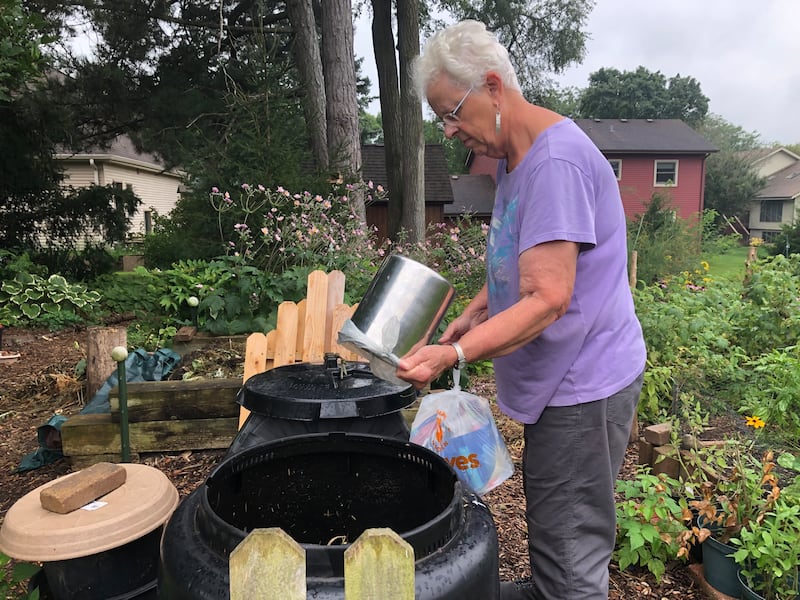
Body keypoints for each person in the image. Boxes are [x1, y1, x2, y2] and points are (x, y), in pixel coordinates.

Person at [396, 20, 647, 600]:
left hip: (583, 385)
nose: (450, 129)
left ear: (491, 86)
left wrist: (452, 353)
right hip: (560, 381)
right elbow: (524, 255)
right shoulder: (517, 154)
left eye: (452, 112)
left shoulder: (554, 165)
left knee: (571, 554)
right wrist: (478, 309)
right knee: (558, 535)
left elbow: (550, 297)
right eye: (441, 117)